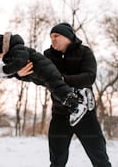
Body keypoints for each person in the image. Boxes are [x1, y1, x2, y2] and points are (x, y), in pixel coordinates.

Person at [0, 32, 92, 127]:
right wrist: (7, 74)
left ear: (4, 49)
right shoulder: (15, 53)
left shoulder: (17, 49)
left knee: (58, 88)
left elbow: (17, 64)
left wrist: (1, 70)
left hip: (44, 70)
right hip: (41, 74)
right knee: (57, 88)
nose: (1, 59)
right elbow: (16, 70)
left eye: (0, 56)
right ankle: (80, 94)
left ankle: (76, 106)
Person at [42, 22, 111, 166]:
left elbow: (89, 77)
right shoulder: (47, 56)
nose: (53, 39)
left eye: (56, 36)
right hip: (60, 114)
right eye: (51, 37)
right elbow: (43, 77)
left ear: (68, 37)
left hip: (85, 114)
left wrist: (62, 80)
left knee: (100, 159)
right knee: (57, 161)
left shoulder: (85, 52)